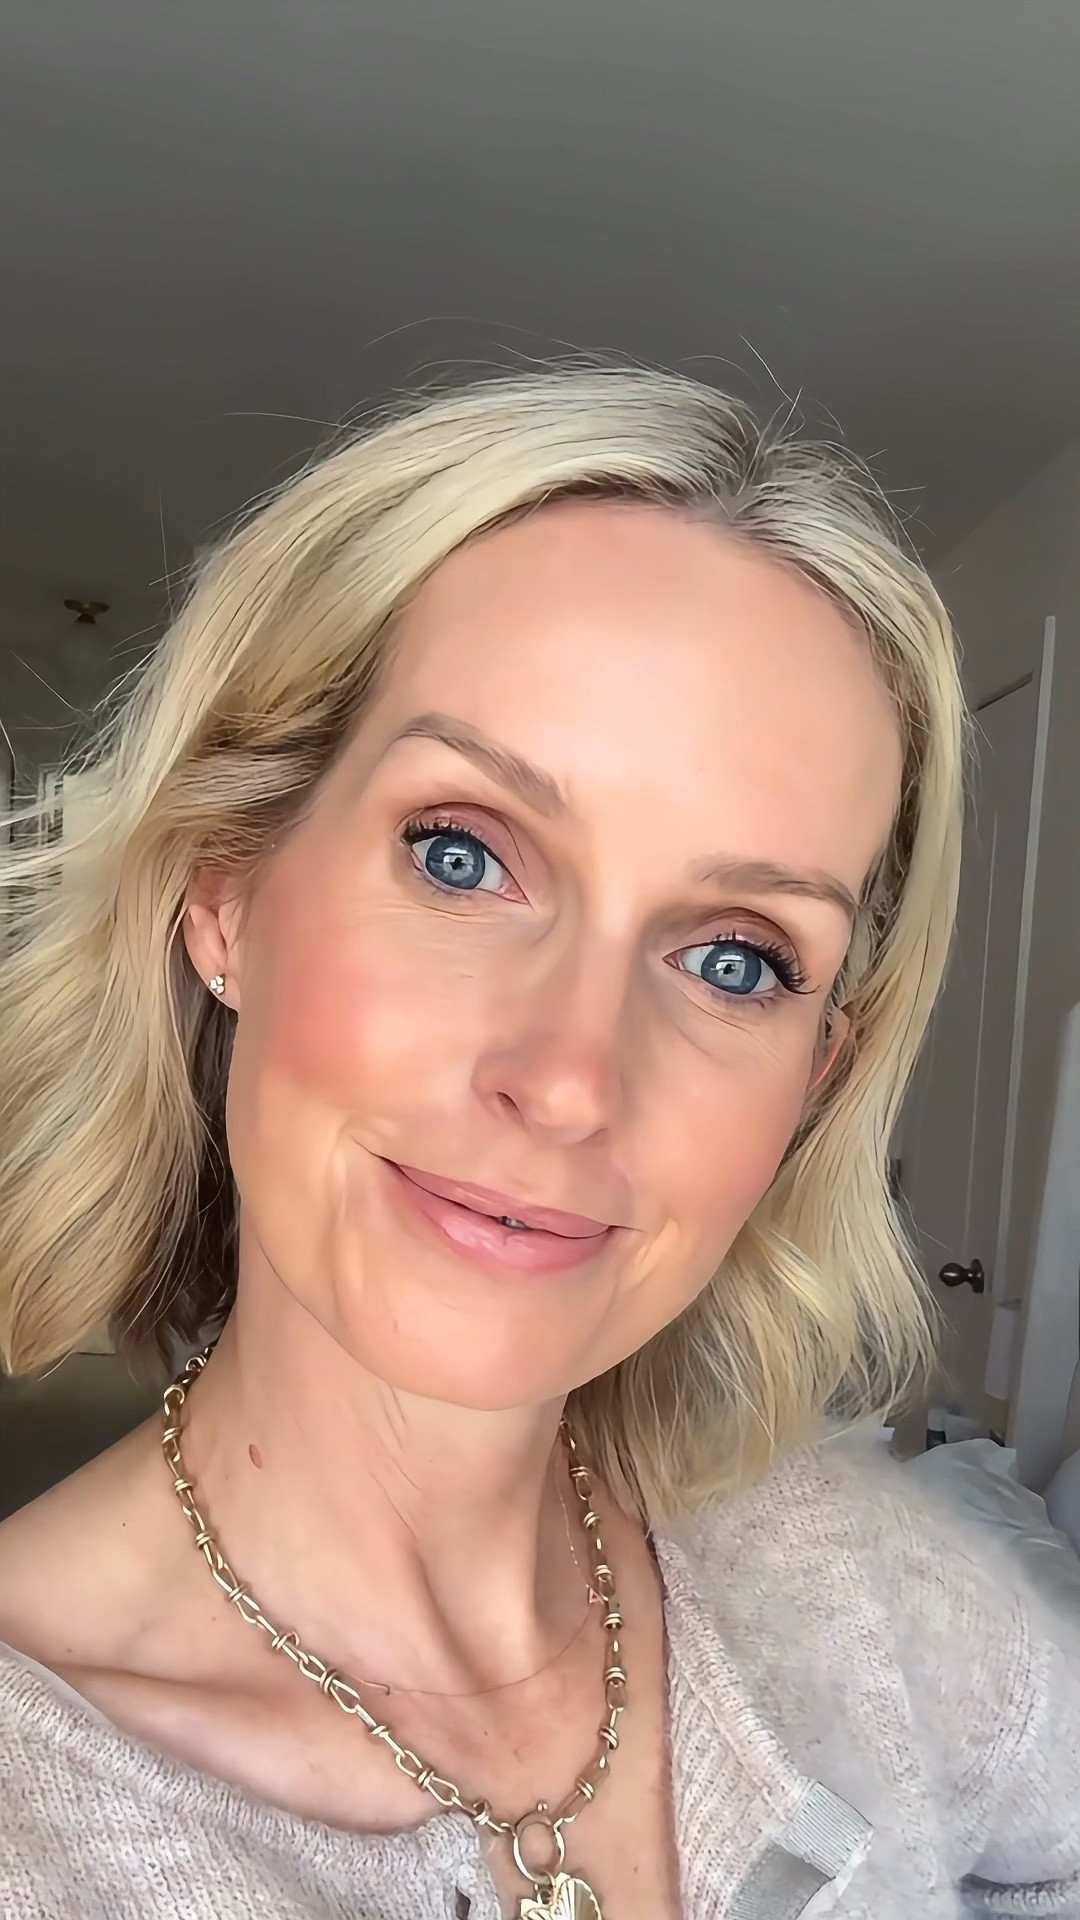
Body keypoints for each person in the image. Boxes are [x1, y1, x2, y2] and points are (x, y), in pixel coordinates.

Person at [0, 365, 1076, 1920]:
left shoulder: (860, 1583)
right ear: (226, 891)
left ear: (812, 1085)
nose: (571, 1080)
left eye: (736, 958)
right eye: (461, 856)